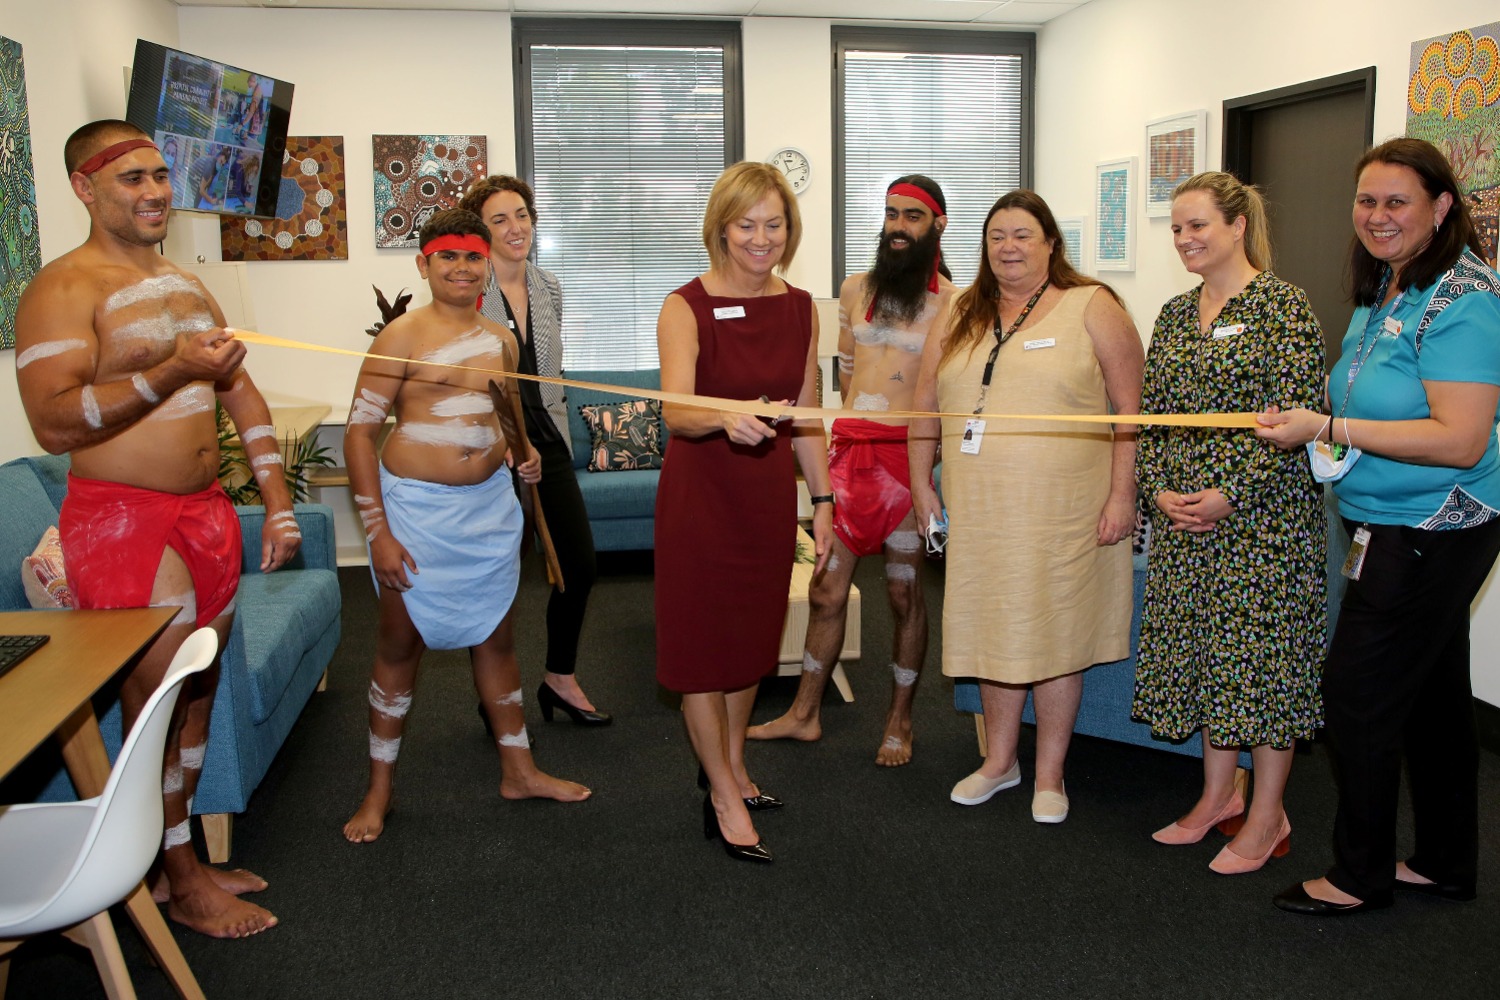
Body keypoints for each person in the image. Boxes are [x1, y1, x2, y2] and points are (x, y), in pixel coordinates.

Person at [14, 119, 299, 938]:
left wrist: (276, 502)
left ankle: (187, 866)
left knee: (198, 701)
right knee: (159, 708)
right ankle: (177, 876)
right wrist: (172, 368)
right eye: (132, 179)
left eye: (159, 177)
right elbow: (54, 424)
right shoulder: (64, 289)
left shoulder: (185, 282)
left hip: (207, 514)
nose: (153, 193)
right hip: (122, 524)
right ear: (85, 187)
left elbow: (240, 393)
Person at [1257, 138, 1500, 915]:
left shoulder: (1464, 298)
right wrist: (1326, 428)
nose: (1378, 216)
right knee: (1428, 694)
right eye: (1367, 201)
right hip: (1384, 517)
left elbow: (1459, 440)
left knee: (1357, 695)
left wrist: (1329, 426)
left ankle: (1359, 876)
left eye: (1397, 202)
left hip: (1434, 523)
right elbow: (1371, 397)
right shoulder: (1387, 286)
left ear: (1441, 206)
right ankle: (1443, 861)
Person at [341, 209, 591, 845]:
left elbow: (502, 419)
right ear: (424, 264)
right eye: (447, 256)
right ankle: (379, 791)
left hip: (488, 513)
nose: (461, 268)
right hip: (416, 516)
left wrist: (522, 456)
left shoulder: (500, 340)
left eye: (472, 257)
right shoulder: (399, 337)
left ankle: (520, 769)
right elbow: (359, 435)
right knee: (399, 649)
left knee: (497, 642)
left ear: (487, 264)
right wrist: (379, 534)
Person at [910, 189, 1143, 823]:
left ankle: (1050, 773)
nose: (1008, 248)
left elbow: (1131, 414)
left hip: (1065, 511)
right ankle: (999, 761)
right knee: (993, 625)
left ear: (1049, 243)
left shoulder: (1092, 306)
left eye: (1022, 235)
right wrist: (921, 485)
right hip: (979, 509)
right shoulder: (959, 311)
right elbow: (923, 406)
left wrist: (1124, 495)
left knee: (1056, 629)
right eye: (997, 237)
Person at [1133, 172, 1327, 874]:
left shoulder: (1284, 308)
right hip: (1186, 523)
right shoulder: (1174, 316)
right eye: (1177, 228)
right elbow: (1149, 420)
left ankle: (1269, 813)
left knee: (1263, 666)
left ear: (1237, 226)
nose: (1184, 238)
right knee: (1207, 661)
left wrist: (1230, 495)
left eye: (1198, 226)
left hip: (1262, 528)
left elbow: (1299, 421)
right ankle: (1218, 797)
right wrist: (1158, 492)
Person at [655, 161, 833, 863]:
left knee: (749, 645)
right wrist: (725, 418)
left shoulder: (802, 307)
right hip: (703, 495)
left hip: (765, 499)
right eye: (747, 225)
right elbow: (676, 409)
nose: (762, 239)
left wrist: (821, 499)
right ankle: (724, 793)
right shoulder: (685, 305)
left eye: (775, 224)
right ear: (720, 229)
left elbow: (809, 417)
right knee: (704, 652)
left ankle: (728, 766)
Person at [748, 174, 956, 766]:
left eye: (912, 217)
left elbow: (947, 390)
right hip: (850, 455)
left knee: (902, 591)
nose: (898, 227)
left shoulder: (955, 301)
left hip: (907, 458)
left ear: (937, 225)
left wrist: (926, 460)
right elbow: (843, 369)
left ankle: (899, 718)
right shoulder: (854, 287)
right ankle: (804, 712)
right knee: (826, 586)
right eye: (891, 214)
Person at [458, 175, 609, 726]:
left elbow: (550, 374)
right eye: (499, 219)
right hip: (490, 443)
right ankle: (494, 694)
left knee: (579, 565)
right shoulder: (468, 292)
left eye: (520, 214)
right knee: (497, 574)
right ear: (483, 231)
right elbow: (463, 385)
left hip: (547, 433)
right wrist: (502, 447)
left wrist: (544, 442)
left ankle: (559, 678)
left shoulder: (549, 287)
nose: (514, 227)